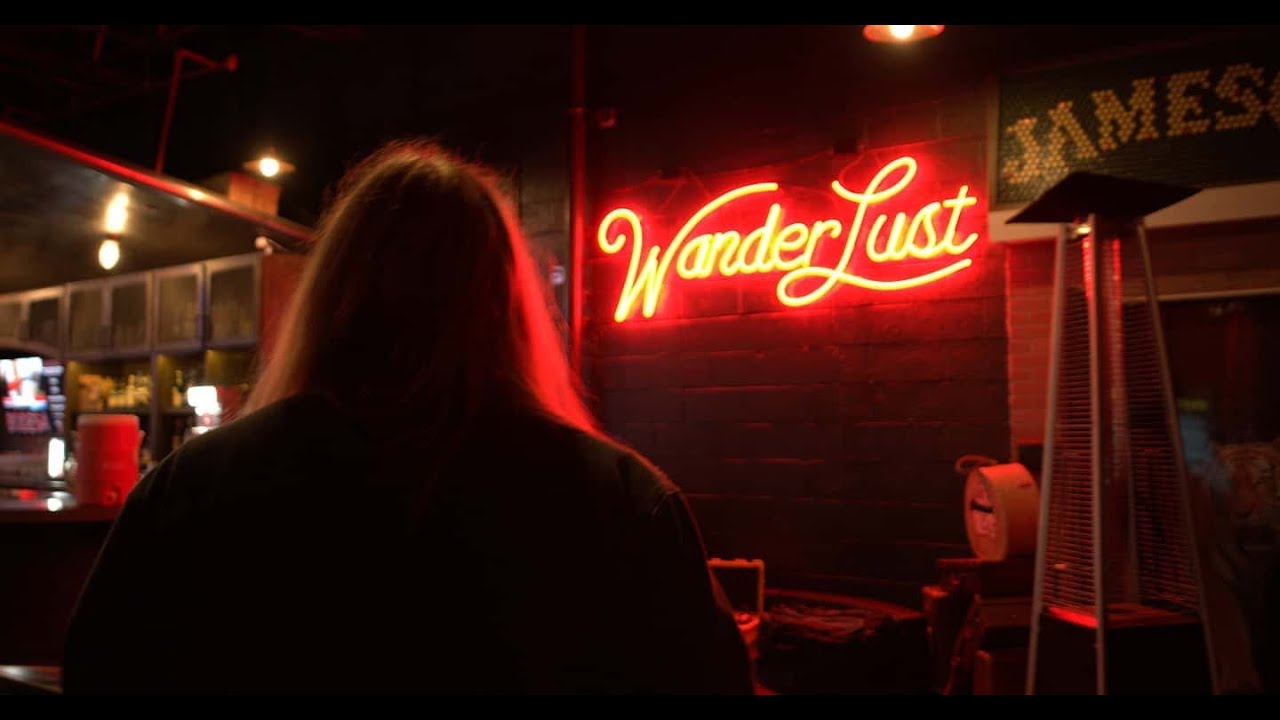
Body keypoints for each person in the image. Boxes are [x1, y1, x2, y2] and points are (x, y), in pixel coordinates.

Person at [62, 141, 752, 695]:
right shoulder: (623, 501)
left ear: (332, 295)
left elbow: (103, 671)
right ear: (506, 304)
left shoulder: (191, 489)